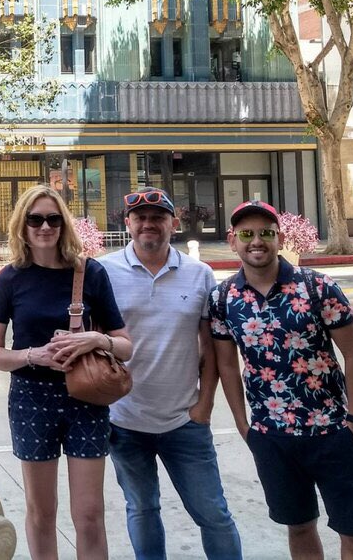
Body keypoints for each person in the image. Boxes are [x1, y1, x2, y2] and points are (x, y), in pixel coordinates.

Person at [211, 200, 353, 560]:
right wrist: (244, 426)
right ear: (232, 240)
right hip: (272, 438)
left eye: (266, 233)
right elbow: (226, 366)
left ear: (280, 237)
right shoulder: (223, 298)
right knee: (299, 526)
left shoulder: (317, 286)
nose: (257, 241)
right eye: (247, 234)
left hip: (332, 432)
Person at [0, 184, 132, 560]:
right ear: (23, 225)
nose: (45, 226)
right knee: (40, 511)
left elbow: (126, 346)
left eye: (53, 219)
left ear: (63, 224)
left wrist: (94, 340)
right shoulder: (10, 278)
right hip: (32, 400)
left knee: (89, 513)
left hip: (86, 398)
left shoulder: (90, 273)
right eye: (36, 219)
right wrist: (34, 355)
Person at [98, 187, 241, 560]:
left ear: (173, 223)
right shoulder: (103, 272)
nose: (149, 224)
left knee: (213, 515)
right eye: (140, 217)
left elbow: (210, 347)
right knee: (142, 510)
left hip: (184, 422)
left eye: (158, 217)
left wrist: (204, 407)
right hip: (124, 422)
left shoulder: (199, 274)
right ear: (127, 223)